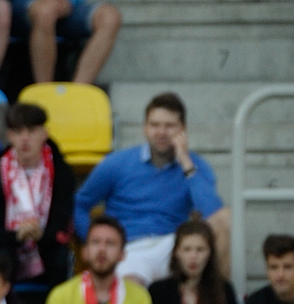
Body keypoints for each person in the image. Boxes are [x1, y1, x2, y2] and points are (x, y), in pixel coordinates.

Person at [72, 93, 227, 286]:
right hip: (130, 246)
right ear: (145, 127)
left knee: (225, 219)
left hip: (175, 246)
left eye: (169, 126)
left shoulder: (196, 166)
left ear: (183, 129)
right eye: (154, 125)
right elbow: (79, 204)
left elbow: (214, 213)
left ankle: (219, 299)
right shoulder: (116, 164)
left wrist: (185, 163)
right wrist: (94, 241)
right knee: (131, 292)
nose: (161, 132)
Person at [0, 101, 74, 286]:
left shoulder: (61, 170)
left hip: (46, 241)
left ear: (44, 134)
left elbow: (62, 219)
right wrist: (17, 235)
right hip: (8, 242)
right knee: (2, 259)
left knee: (60, 257)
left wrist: (40, 234)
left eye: (31, 131)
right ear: (9, 136)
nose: (24, 138)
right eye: (17, 132)